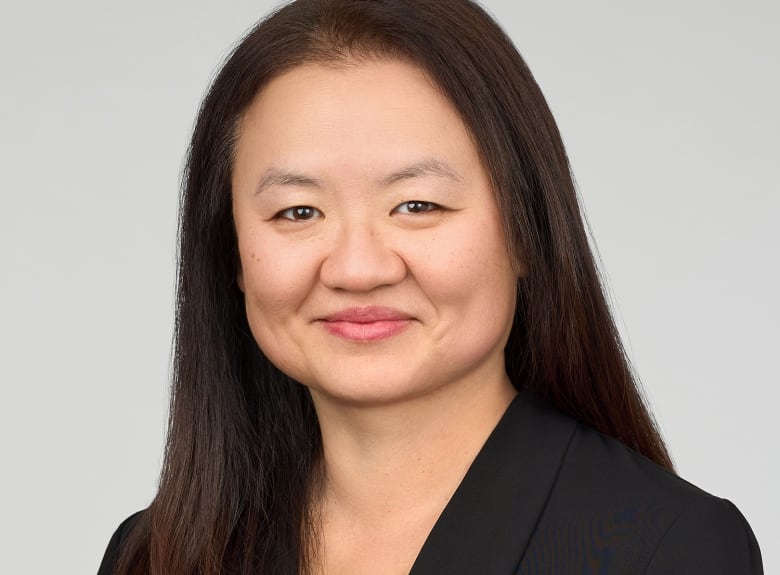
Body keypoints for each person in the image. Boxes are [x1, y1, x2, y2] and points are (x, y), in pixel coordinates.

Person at [98, 1, 763, 573]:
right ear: (231, 255)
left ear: (526, 234)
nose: (357, 268)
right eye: (297, 211)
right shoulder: (156, 553)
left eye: (418, 205)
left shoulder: (666, 548)